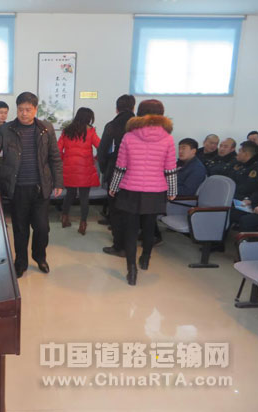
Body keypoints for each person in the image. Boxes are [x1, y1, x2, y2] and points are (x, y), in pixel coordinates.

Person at [0, 92, 63, 278]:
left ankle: (40, 257)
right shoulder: (6, 129)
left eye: (28, 110)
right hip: (17, 188)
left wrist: (58, 182)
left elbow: (55, 157)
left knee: (42, 228)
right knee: (20, 229)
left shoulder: (46, 129)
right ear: (17, 109)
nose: (24, 113)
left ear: (35, 109)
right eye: (20, 110)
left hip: (40, 187)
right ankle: (21, 262)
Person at [109, 99, 177, 286]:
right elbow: (170, 168)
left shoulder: (128, 136)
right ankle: (145, 258)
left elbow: (120, 167)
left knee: (130, 231)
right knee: (149, 227)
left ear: (139, 113)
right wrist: (172, 190)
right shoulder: (167, 138)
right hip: (155, 191)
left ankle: (131, 270)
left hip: (130, 189)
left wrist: (113, 187)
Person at [98, 94, 135, 257]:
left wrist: (105, 170)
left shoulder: (112, 126)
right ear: (133, 107)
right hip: (136, 176)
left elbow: (102, 151)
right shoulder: (139, 126)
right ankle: (131, 245)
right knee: (131, 212)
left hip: (115, 172)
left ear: (116, 108)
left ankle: (119, 246)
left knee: (116, 211)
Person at [57, 107, 100, 235]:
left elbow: (58, 150)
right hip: (85, 168)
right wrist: (95, 158)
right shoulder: (90, 132)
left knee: (69, 194)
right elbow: (100, 146)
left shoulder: (67, 131)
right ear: (88, 118)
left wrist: (65, 159)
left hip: (69, 168)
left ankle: (64, 218)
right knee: (84, 197)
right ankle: (83, 224)